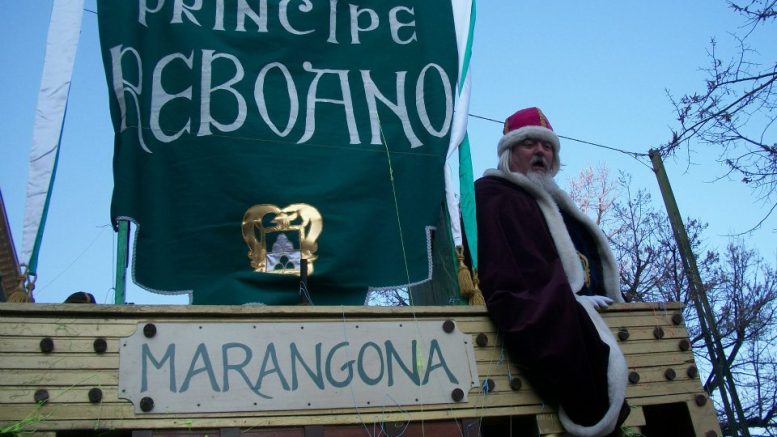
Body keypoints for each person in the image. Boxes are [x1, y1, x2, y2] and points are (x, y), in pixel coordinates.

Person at [476, 107, 628, 436]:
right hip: (555, 321)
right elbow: (508, 275)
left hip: (605, 324)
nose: (541, 152)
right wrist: (569, 303)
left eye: (547, 146)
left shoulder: (560, 207)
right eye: (529, 143)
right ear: (509, 152)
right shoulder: (492, 196)